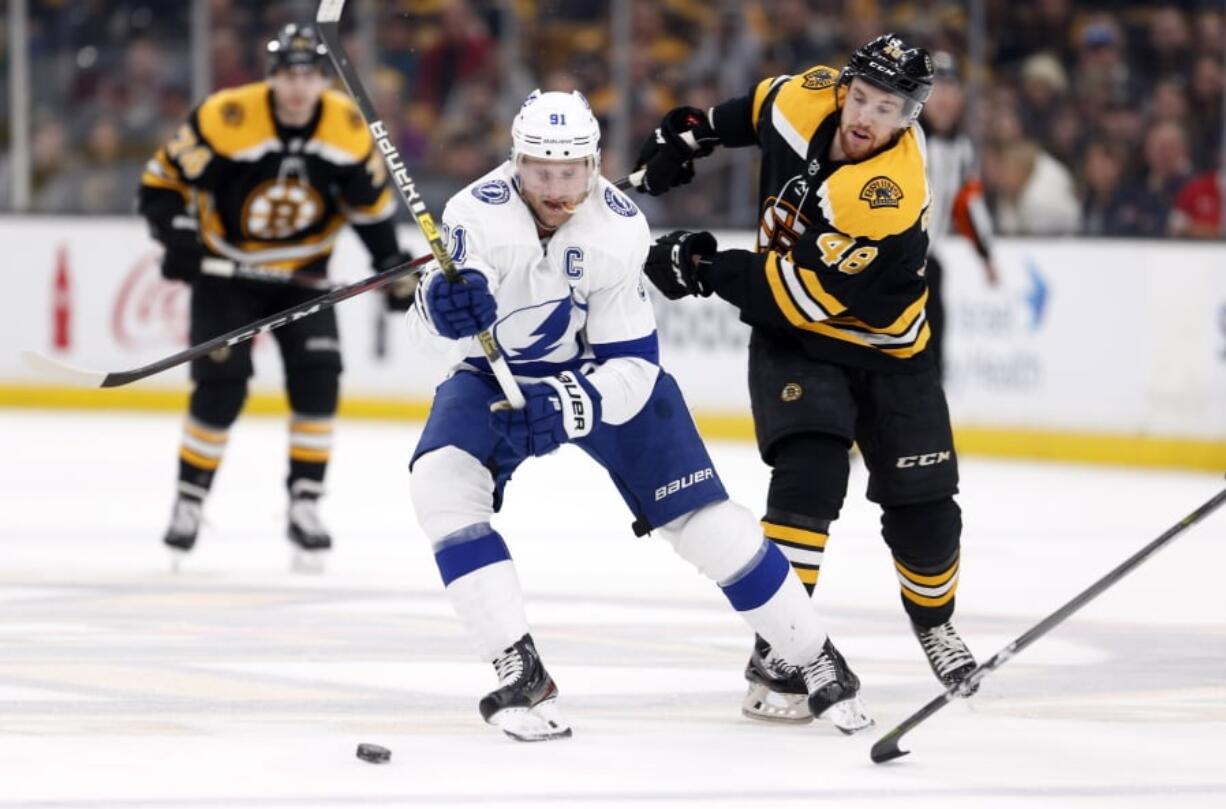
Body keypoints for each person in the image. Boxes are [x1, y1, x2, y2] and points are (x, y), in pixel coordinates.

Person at [405, 89, 871, 741]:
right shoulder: (473, 213)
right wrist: (437, 305)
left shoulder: (618, 229)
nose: (556, 188)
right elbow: (430, 335)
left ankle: (816, 657)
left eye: (571, 172)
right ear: (516, 162)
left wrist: (569, 403)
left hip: (603, 378)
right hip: (498, 373)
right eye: (541, 170)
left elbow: (632, 367)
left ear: (594, 163)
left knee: (706, 525)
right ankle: (519, 666)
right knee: (441, 484)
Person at [632, 34, 979, 723]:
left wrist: (704, 268)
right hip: (799, 346)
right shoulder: (806, 95)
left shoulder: (886, 193)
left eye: (885, 109)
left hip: (884, 343)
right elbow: (757, 108)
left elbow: (804, 294)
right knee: (811, 475)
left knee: (926, 508)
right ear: (843, 86)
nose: (864, 117)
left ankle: (934, 621)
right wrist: (693, 133)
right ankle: (780, 646)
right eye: (860, 97)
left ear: (909, 118)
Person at [137, 24, 413, 567]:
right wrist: (178, 237)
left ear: (321, 80)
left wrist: (389, 267)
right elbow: (161, 184)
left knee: (318, 381)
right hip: (225, 274)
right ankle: (189, 501)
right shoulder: (226, 117)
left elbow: (371, 213)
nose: (298, 85)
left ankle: (305, 504)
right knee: (222, 385)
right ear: (273, 75)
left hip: (302, 276)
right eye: (289, 73)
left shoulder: (347, 129)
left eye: (309, 74)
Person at [919, 51, 998, 376]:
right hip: (886, 261)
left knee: (934, 354)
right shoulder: (903, 135)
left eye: (950, 88)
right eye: (935, 88)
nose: (943, 97)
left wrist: (986, 255)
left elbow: (967, 205)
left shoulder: (962, 148)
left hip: (926, 263)